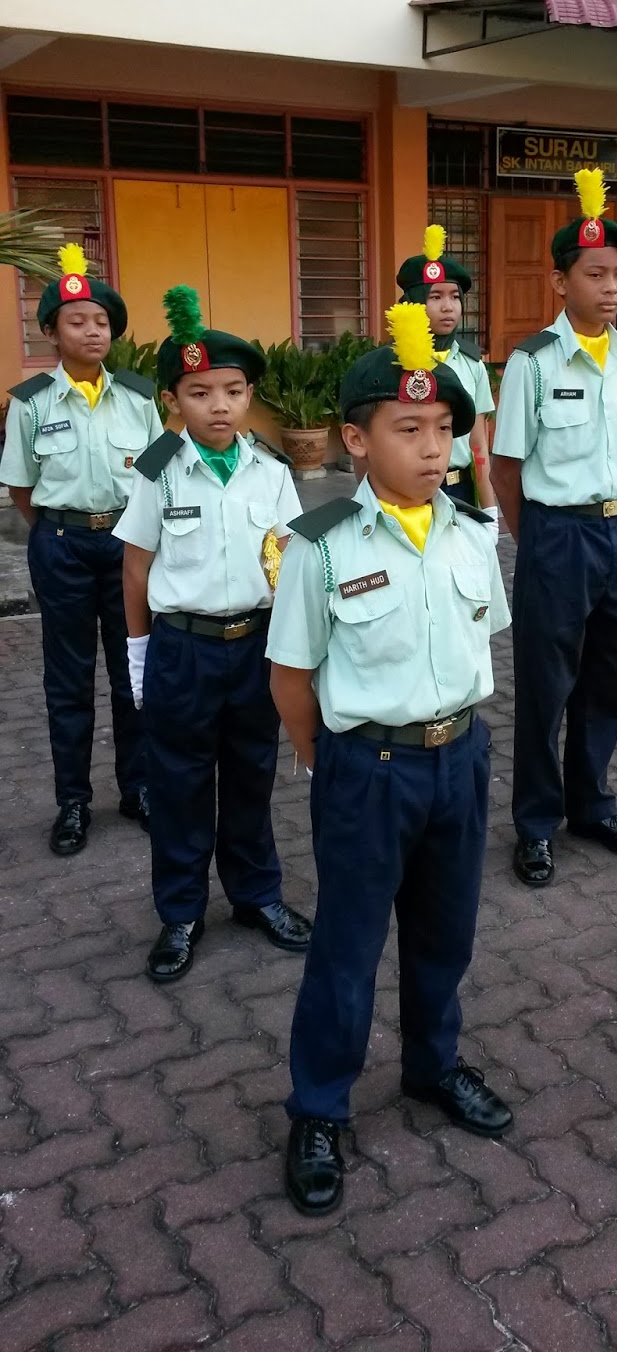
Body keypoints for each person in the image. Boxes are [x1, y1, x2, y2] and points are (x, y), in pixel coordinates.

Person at [267, 301, 513, 1217]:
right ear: (355, 440)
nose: (432, 448)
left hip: (462, 757)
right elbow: (292, 675)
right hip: (367, 770)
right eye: (408, 429)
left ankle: (432, 1066)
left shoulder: (471, 531)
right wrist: (325, 762)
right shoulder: (321, 546)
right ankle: (320, 1107)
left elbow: (486, 638)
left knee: (446, 931)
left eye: (445, 429)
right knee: (348, 945)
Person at [114, 286, 311, 983]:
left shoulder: (272, 467)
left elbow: (293, 560)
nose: (219, 405)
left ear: (249, 393)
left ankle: (256, 896)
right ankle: (181, 912)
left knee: (253, 776)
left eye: (232, 390)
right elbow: (136, 571)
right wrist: (140, 656)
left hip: (255, 646)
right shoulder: (159, 472)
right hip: (184, 651)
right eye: (200, 392)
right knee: (180, 784)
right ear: (175, 401)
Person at [491, 169, 617, 888]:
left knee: (605, 680)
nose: (611, 288)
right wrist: (539, 544)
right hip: (555, 536)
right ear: (562, 282)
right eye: (596, 274)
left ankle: (592, 805)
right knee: (544, 685)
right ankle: (535, 822)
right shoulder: (531, 360)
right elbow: (505, 469)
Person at [0, 244, 162, 857]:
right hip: (61, 543)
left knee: (132, 670)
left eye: (102, 322)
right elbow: (21, 486)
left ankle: (137, 787)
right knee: (68, 679)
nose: (93, 332)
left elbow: (155, 475)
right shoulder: (31, 402)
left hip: (127, 543)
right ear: (50, 331)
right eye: (78, 321)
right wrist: (57, 530)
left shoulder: (139, 397)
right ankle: (73, 801)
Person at [396, 224, 498, 533]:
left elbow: (479, 445)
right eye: (435, 297)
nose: (447, 307)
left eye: (454, 297)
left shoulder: (471, 365)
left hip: (460, 491)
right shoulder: (390, 364)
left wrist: (490, 509)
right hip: (405, 492)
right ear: (413, 302)